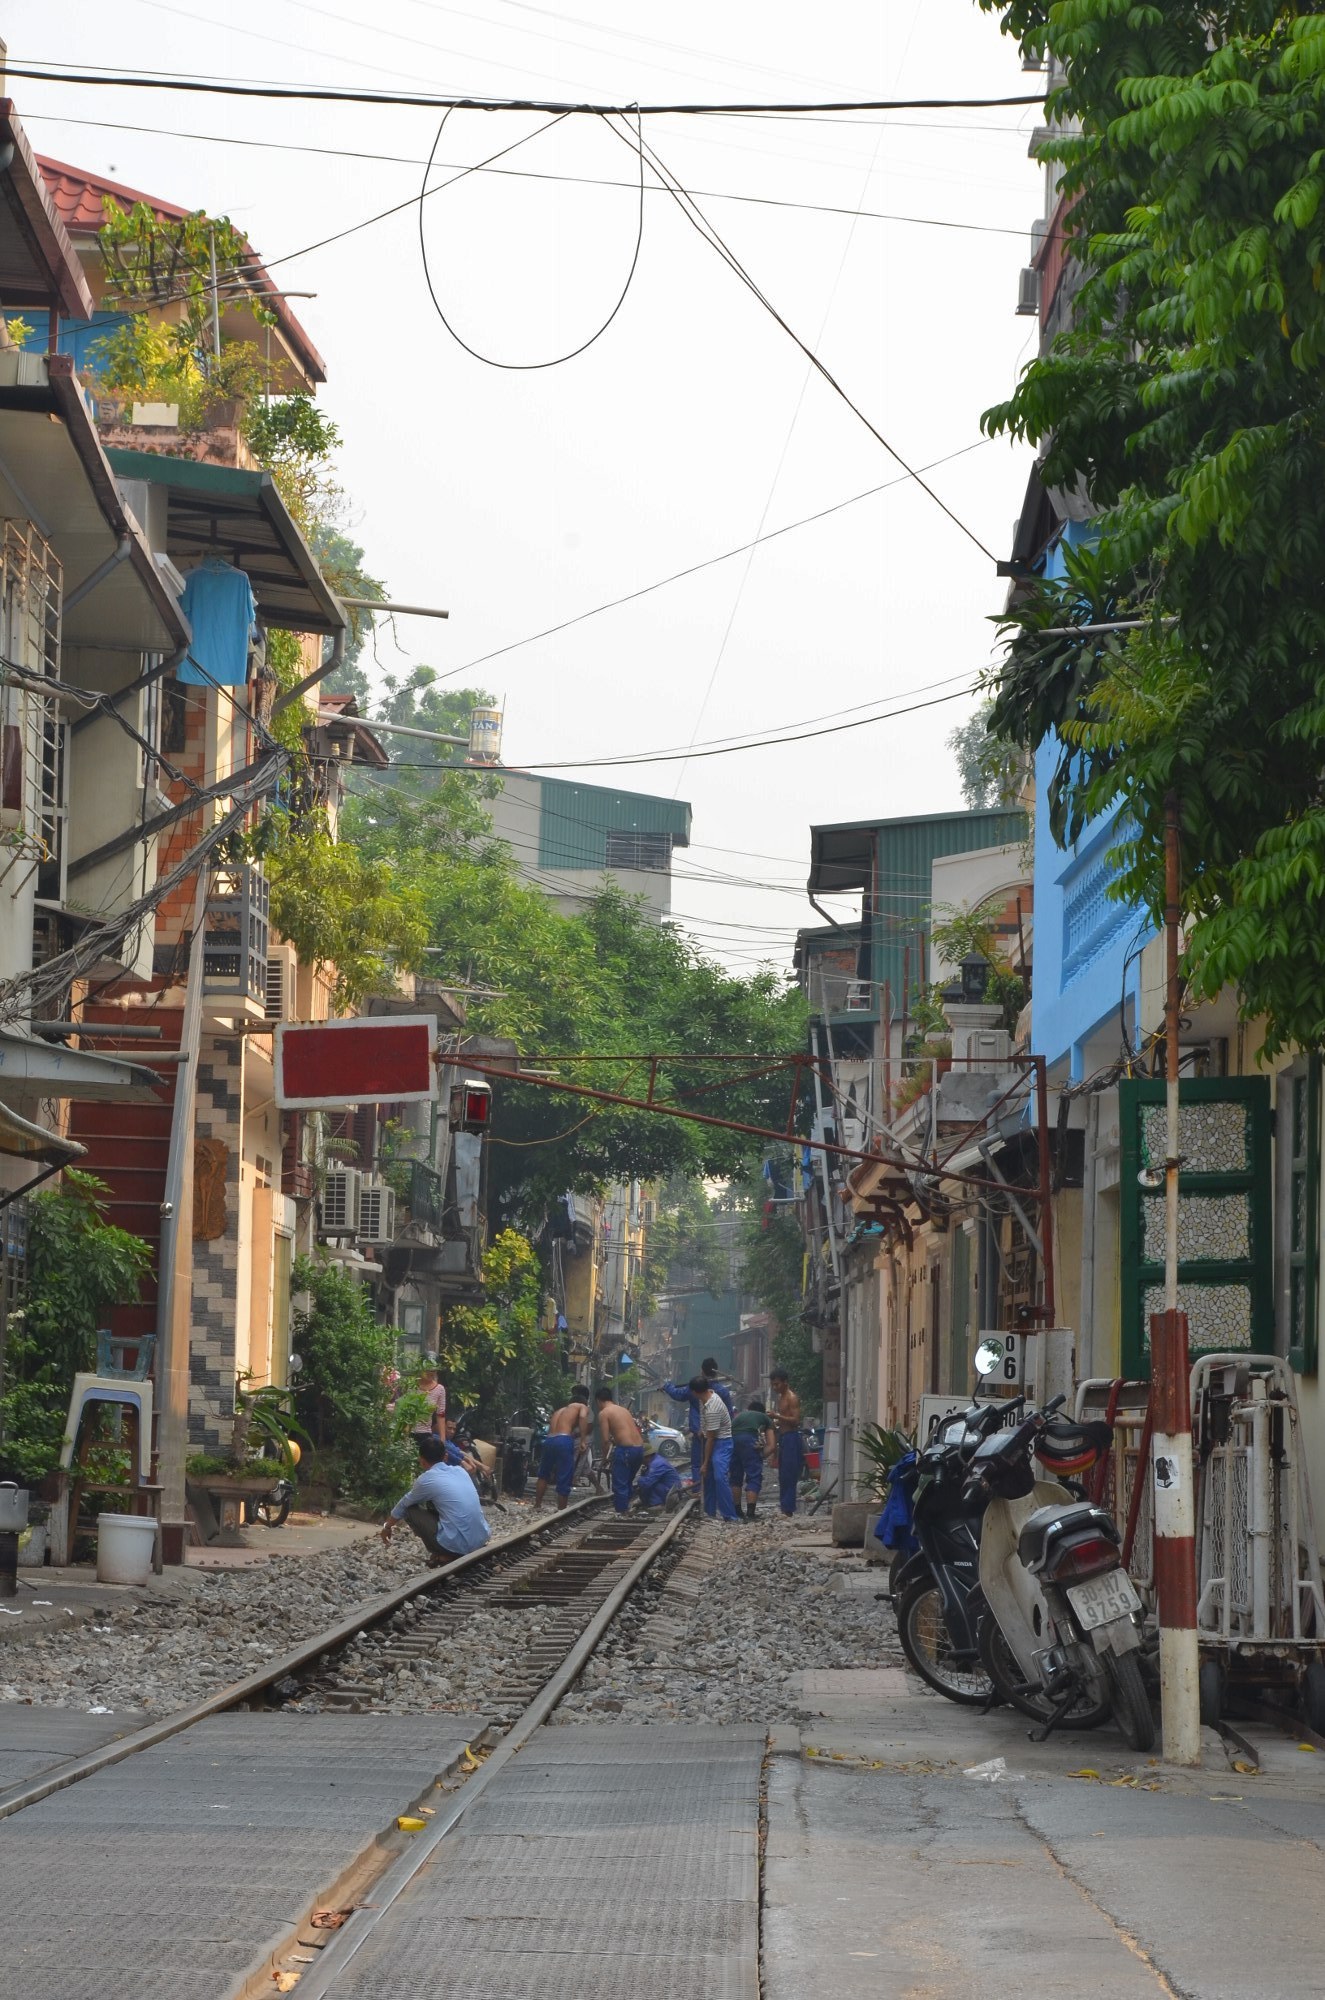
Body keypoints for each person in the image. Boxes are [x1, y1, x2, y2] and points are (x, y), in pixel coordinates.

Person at [381, 1433, 490, 1565]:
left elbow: (404, 1504)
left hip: (461, 1546)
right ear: (445, 1457)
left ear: (421, 1460)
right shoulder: (460, 1471)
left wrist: (387, 1526)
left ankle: (445, 1553)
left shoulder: (427, 1479)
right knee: (438, 1503)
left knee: (410, 1509)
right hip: (481, 1538)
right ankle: (452, 1548)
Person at [662, 1358, 733, 1486]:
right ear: (716, 1373)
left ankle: (698, 1489)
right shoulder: (723, 1391)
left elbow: (677, 1394)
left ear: (702, 1371)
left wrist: (667, 1386)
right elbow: (729, 1415)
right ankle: (714, 1488)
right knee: (717, 1464)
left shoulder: (693, 1389)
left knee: (697, 1464)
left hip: (700, 1434)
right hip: (719, 1436)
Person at [692, 1371, 738, 1522]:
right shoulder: (705, 1397)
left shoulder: (713, 1407)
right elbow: (703, 1420)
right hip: (711, 1439)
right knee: (709, 1478)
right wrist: (702, 1429)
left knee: (719, 1477)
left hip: (722, 1442)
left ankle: (730, 1515)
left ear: (695, 1392)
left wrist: (705, 1463)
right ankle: (709, 1512)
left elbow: (711, 1439)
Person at [534, 1387, 590, 1510]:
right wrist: (583, 1440)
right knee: (564, 1475)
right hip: (564, 1439)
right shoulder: (582, 1407)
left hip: (549, 1439)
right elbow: (582, 1417)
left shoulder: (559, 1410)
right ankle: (562, 1510)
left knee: (543, 1474)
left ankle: (537, 1504)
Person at [595, 1385, 645, 1513]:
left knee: (620, 1485)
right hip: (639, 1449)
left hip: (626, 1451)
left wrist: (604, 1458)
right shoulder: (624, 1410)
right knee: (627, 1482)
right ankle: (627, 1508)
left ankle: (622, 1513)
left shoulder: (604, 1413)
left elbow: (605, 1440)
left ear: (599, 1400)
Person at [729, 1396, 773, 1521]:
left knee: (735, 1478)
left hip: (732, 1442)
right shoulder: (765, 1418)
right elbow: (772, 1445)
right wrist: (762, 1454)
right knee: (754, 1476)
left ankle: (737, 1511)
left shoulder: (738, 1417)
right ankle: (750, 1514)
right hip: (749, 1441)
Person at [769, 1368, 804, 1517]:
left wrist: (777, 1416)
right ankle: (784, 1506)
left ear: (785, 1382)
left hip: (791, 1437)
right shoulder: (780, 1397)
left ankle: (788, 1508)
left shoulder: (791, 1398)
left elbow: (796, 1420)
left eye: (777, 1384)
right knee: (782, 1474)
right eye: (773, 1385)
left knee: (790, 1473)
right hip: (783, 1437)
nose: (775, 1387)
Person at [637, 1440, 683, 1510]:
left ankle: (658, 1504)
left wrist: (639, 1479)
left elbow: (647, 1483)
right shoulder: (655, 1460)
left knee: (647, 1483)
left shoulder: (657, 1464)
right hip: (670, 1490)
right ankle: (650, 1502)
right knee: (645, 1480)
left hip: (672, 1494)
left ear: (646, 1456)